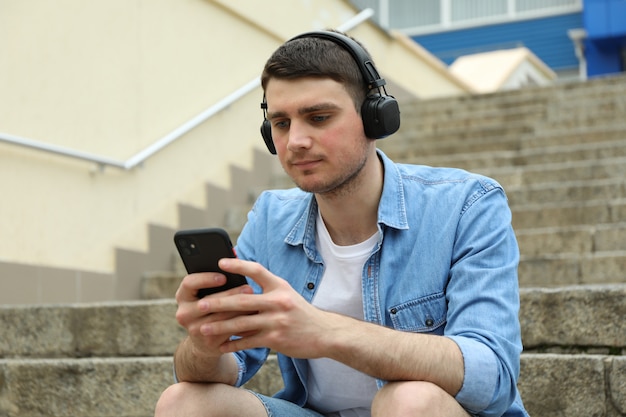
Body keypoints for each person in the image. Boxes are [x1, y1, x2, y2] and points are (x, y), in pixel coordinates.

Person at [154, 30, 528, 417]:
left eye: (318, 117)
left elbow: (493, 376)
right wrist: (203, 342)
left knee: (408, 401)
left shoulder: (466, 204)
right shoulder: (270, 217)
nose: (295, 140)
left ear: (375, 116)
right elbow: (230, 365)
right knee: (183, 401)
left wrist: (326, 332)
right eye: (280, 123)